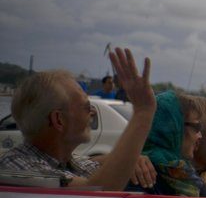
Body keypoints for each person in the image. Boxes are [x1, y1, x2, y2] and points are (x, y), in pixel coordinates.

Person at [0, 48, 156, 190]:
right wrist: (143, 112)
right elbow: (98, 192)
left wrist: (133, 160)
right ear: (58, 120)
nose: (93, 113)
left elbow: (91, 162)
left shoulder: (65, 161)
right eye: (87, 106)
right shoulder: (17, 167)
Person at [143, 92, 206, 197]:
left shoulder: (178, 170)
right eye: (197, 127)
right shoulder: (144, 175)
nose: (200, 135)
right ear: (173, 129)